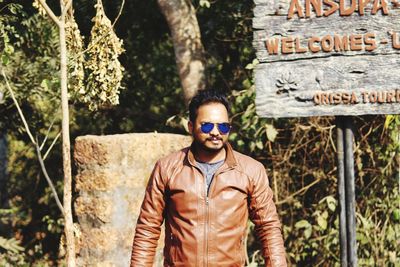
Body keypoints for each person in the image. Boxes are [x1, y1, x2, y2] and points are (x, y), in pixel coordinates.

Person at [131, 90, 287, 266]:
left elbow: (268, 228)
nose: (215, 132)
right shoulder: (167, 168)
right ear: (191, 127)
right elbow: (147, 228)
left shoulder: (251, 171)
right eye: (206, 126)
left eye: (223, 127)